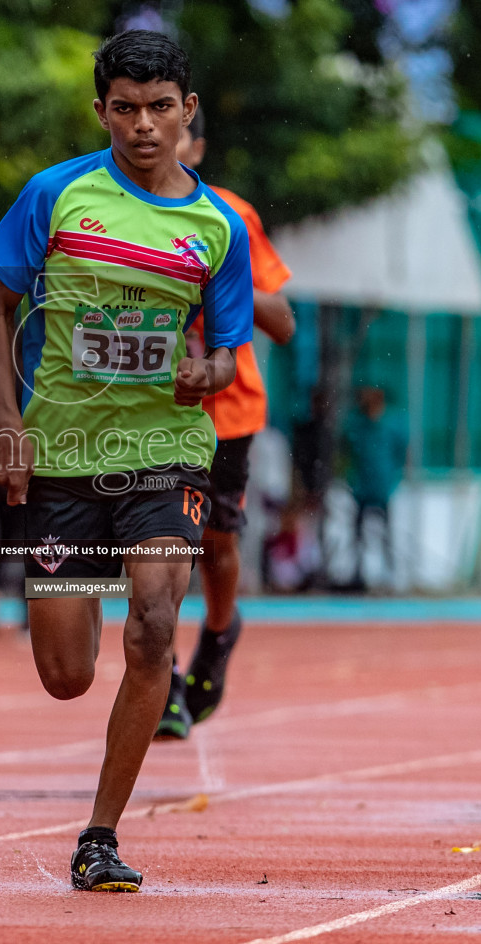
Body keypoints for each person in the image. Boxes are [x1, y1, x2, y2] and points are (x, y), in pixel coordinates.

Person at [0, 29, 253, 891]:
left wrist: (199, 373)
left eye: (160, 109)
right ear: (101, 110)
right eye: (125, 109)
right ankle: (88, 627)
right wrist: (7, 425)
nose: (143, 125)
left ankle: (100, 836)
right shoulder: (54, 195)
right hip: (62, 455)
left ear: (188, 111)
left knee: (154, 627)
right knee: (65, 676)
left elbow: (228, 356)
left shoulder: (218, 228)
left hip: (166, 455)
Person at [155, 107, 295, 740]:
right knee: (153, 549)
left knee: (214, 543)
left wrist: (219, 276)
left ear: (197, 145)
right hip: (143, 412)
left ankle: (217, 632)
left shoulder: (230, 216)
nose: (154, 136)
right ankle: (158, 677)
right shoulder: (107, 213)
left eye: (171, 125)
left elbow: (283, 322)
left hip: (228, 411)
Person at [345, 385, 408, 589]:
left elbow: (401, 454)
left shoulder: (389, 427)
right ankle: (358, 573)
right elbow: (349, 454)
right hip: (362, 489)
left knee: (387, 535)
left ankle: (390, 576)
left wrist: (394, 480)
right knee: (358, 535)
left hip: (382, 489)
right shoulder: (358, 427)